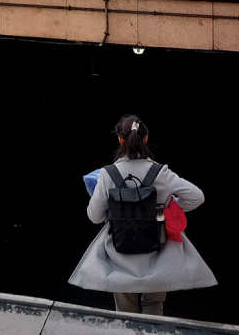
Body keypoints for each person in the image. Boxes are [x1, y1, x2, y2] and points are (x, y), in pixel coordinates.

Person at [69, 115, 216, 316]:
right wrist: (170, 206)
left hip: (119, 255)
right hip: (157, 252)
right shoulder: (161, 173)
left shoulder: (107, 175)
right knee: (154, 307)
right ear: (145, 138)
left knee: (125, 314)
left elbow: (94, 217)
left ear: (120, 140)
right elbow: (197, 197)